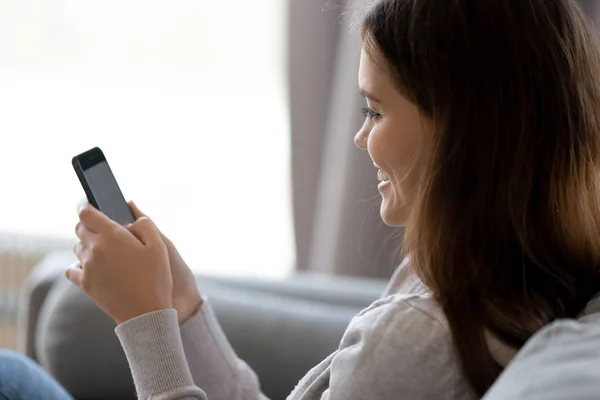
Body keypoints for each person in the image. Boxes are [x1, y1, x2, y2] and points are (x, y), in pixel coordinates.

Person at [3, 0, 600, 398]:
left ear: (462, 132)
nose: (362, 137)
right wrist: (182, 307)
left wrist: (144, 323)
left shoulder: (413, 341)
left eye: (375, 110)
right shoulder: (508, 276)